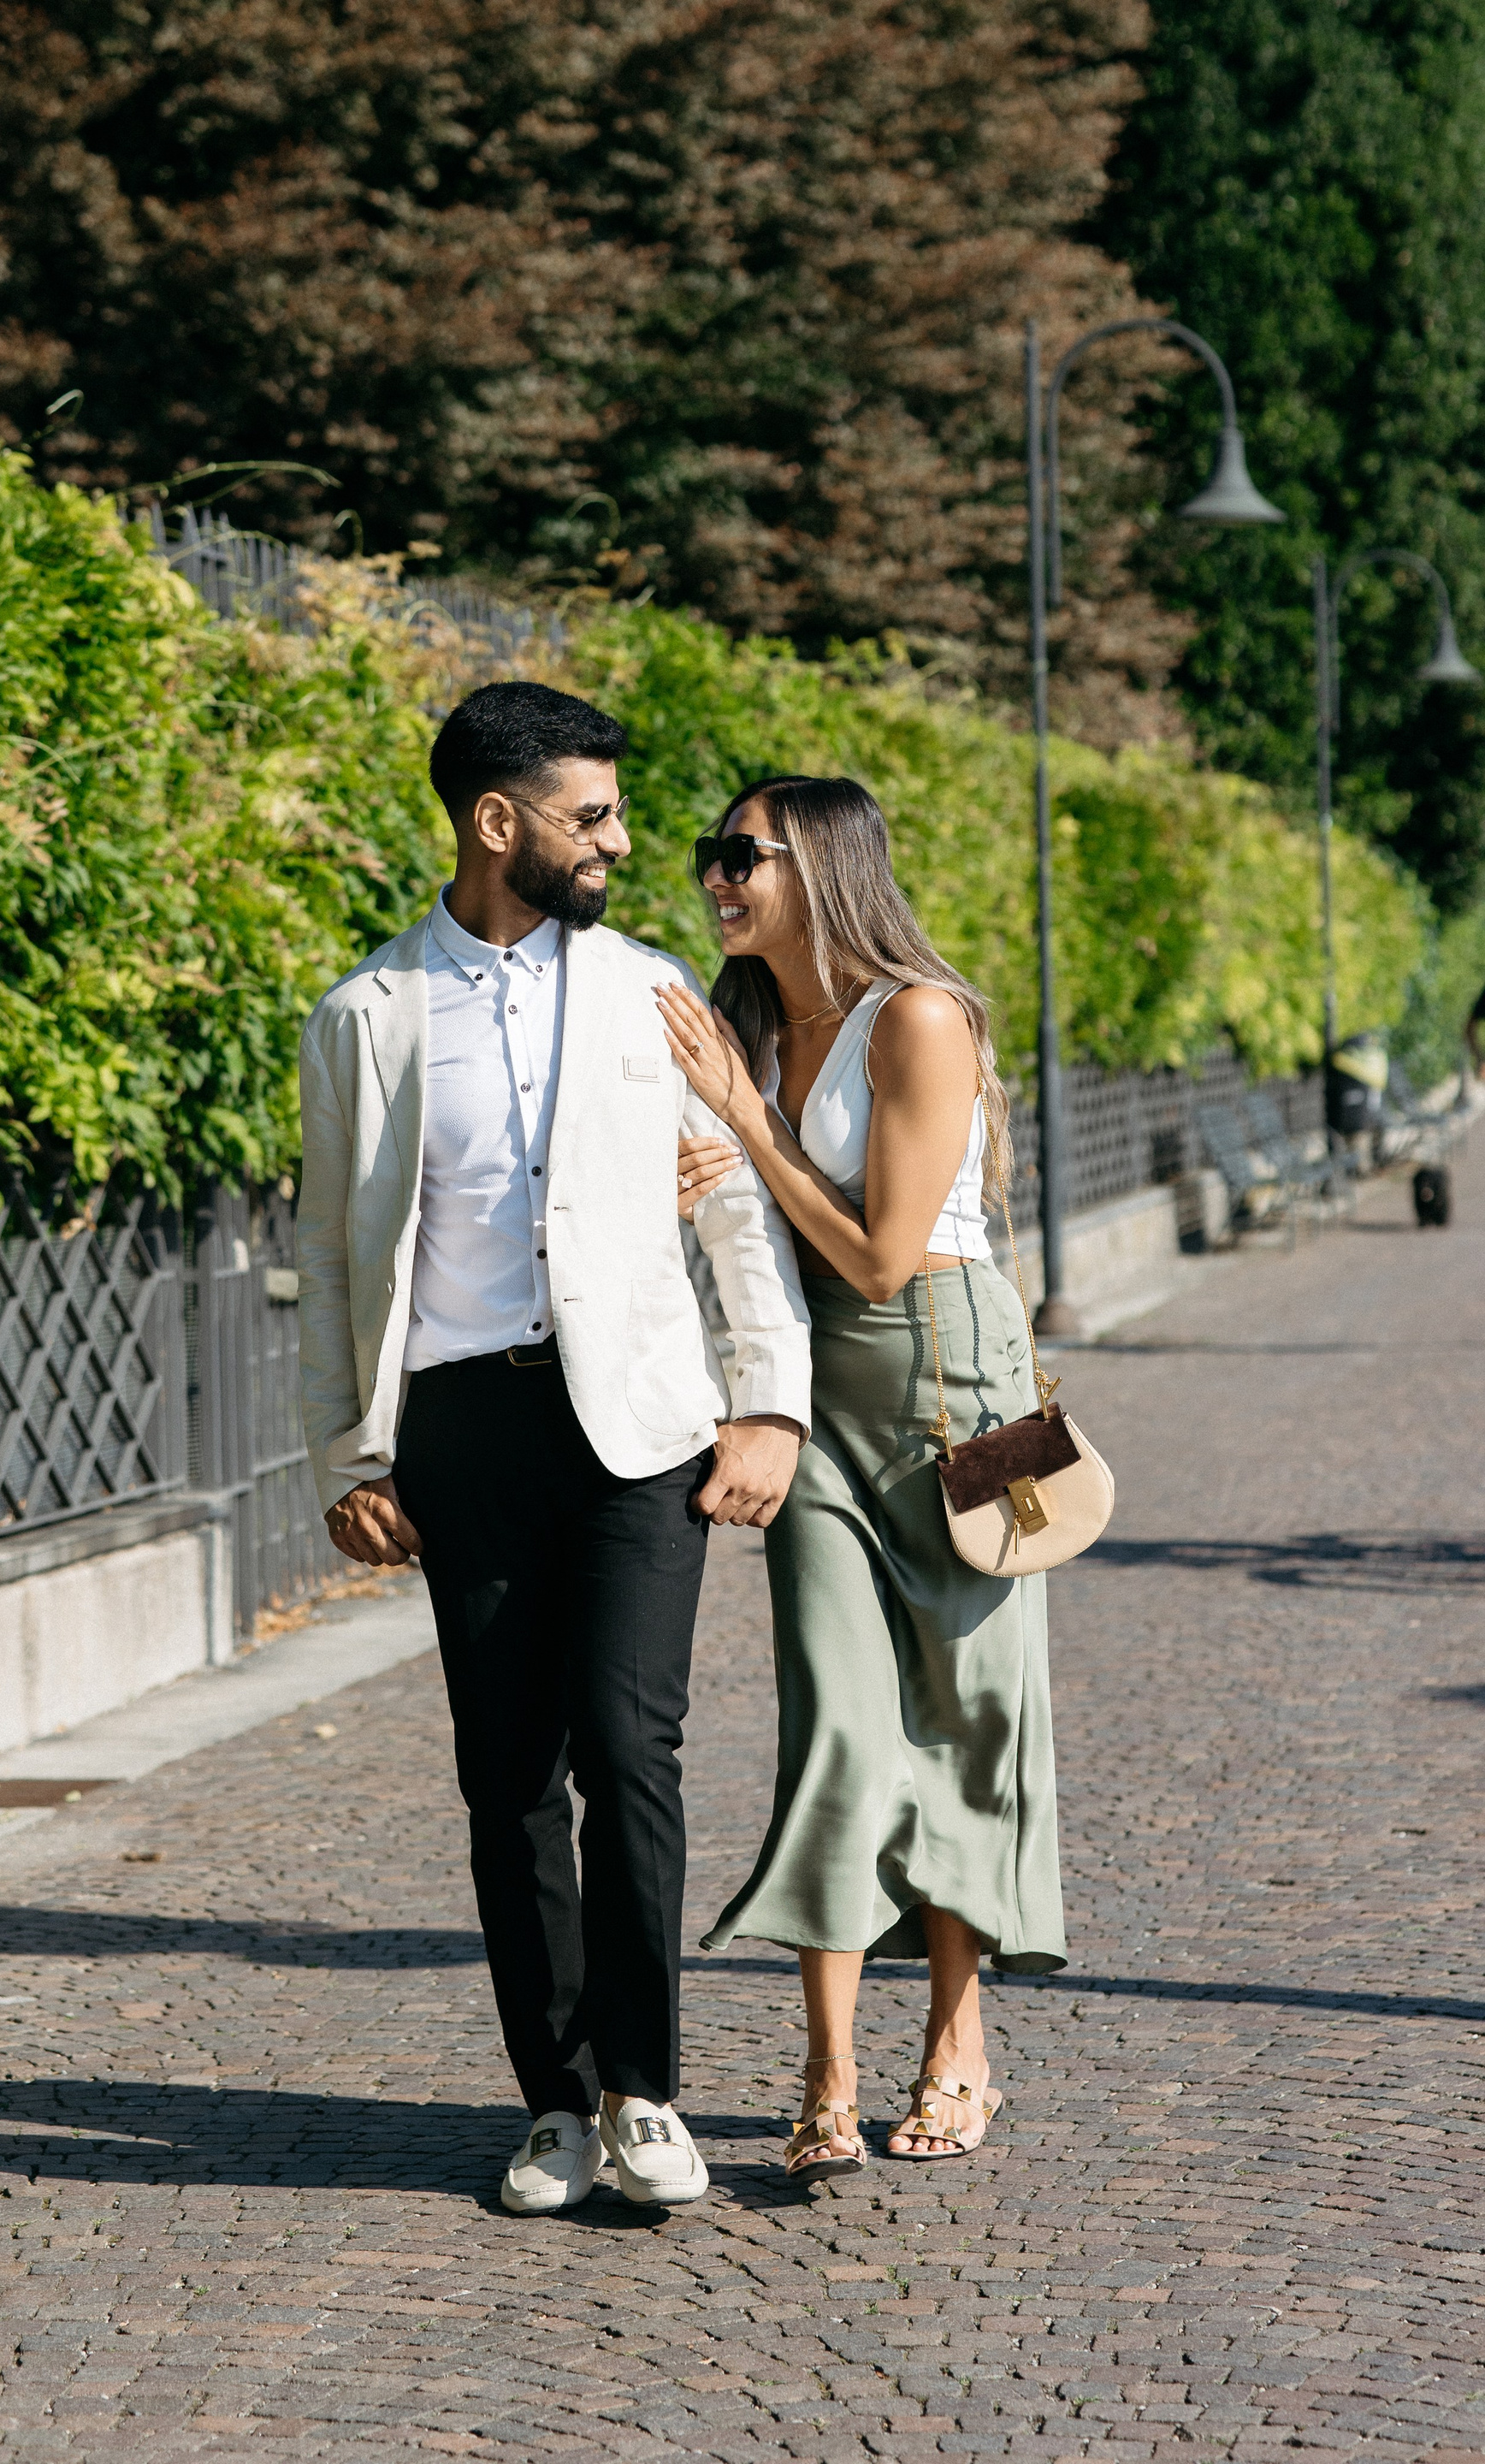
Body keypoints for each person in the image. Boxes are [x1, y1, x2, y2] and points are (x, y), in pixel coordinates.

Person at [295, 684, 812, 2216]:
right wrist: (350, 1458)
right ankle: (556, 2105)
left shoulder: (654, 992)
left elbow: (734, 1208)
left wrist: (769, 1402)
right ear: (494, 820)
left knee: (630, 1752)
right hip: (462, 1430)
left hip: (638, 1428)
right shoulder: (367, 1015)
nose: (622, 842)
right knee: (506, 1774)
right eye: (592, 816)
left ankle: (647, 2091)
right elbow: (329, 1253)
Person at [658, 774, 1067, 2185]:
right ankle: (826, 2070)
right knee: (836, 1718)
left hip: (958, 1375)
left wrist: (747, 1122)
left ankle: (957, 2045)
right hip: (812, 1388)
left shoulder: (920, 1018)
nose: (717, 877)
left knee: (967, 1712)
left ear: (824, 866)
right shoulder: (742, 1024)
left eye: (743, 855)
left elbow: (889, 1257)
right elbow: (747, 1216)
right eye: (711, 855)